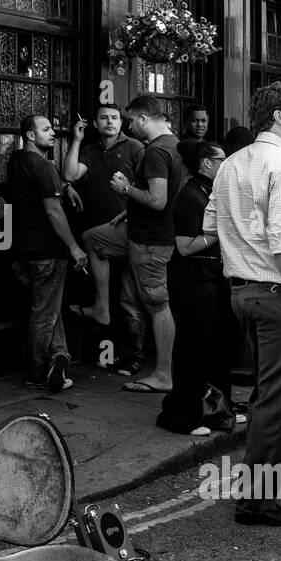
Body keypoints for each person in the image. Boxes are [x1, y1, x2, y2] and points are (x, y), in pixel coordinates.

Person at [203, 81, 281, 526]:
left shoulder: (230, 163)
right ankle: (259, 501)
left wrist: (238, 247)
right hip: (276, 292)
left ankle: (259, 492)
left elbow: (209, 224)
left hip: (241, 291)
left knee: (266, 394)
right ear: (278, 116)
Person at [157, 140, 238, 435]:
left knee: (217, 345)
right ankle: (182, 415)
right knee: (192, 347)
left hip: (212, 277)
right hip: (192, 280)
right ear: (206, 163)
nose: (225, 164)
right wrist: (219, 232)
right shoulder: (191, 196)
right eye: (221, 159)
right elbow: (185, 246)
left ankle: (219, 409)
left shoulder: (210, 191)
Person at [110, 95, 184, 394]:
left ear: (143, 118)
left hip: (151, 240)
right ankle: (102, 304)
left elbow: (157, 199)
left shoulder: (154, 151)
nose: (129, 126)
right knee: (95, 239)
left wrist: (126, 189)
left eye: (131, 120)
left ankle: (164, 375)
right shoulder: (175, 145)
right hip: (163, 236)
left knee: (158, 306)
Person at [8, 114, 88, 391]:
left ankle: (58, 358)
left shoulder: (16, 160)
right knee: (44, 314)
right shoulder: (43, 167)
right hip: (47, 251)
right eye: (46, 129)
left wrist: (65, 186)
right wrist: (75, 247)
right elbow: (54, 212)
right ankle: (38, 373)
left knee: (49, 308)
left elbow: (38, 183)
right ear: (30, 136)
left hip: (22, 250)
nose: (53, 133)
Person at [63, 103, 145, 375]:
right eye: (103, 118)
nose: (110, 122)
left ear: (121, 123)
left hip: (131, 233)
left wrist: (131, 209)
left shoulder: (135, 147)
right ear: (95, 124)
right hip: (102, 237)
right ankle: (109, 356)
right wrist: (76, 139)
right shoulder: (89, 149)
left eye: (114, 118)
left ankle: (135, 357)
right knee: (108, 299)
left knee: (130, 300)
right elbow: (71, 174)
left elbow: (149, 186)